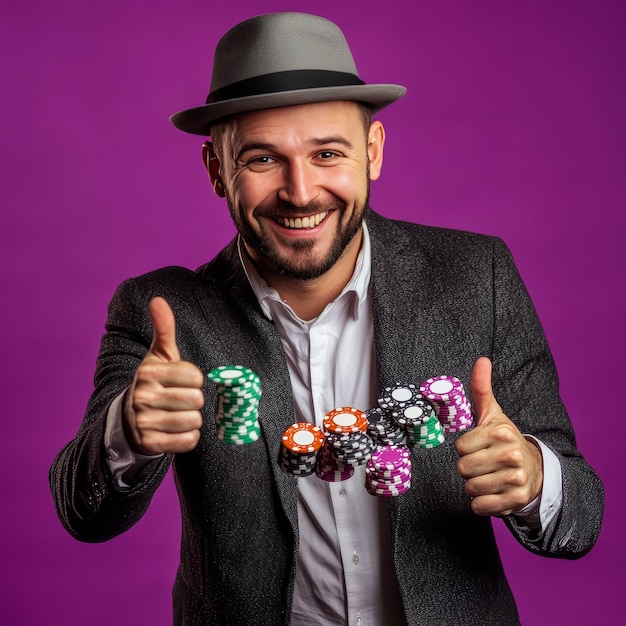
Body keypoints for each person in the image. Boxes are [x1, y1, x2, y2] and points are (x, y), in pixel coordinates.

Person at [50, 12, 604, 626]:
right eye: (263, 159)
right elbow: (84, 511)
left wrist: (533, 477)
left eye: (328, 153)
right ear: (216, 171)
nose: (301, 190)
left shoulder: (478, 275)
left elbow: (581, 518)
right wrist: (127, 431)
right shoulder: (163, 316)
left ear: (372, 153)